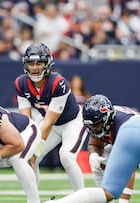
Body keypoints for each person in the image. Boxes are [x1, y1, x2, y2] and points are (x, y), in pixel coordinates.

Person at [14, 42, 87, 191]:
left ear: (47, 63)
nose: (34, 67)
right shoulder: (21, 83)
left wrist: (36, 152)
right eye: (31, 63)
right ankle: (33, 200)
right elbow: (26, 123)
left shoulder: (57, 83)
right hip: (52, 125)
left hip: (71, 122)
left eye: (39, 63)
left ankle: (81, 197)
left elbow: (48, 123)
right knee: (27, 158)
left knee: (66, 156)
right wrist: (30, 152)